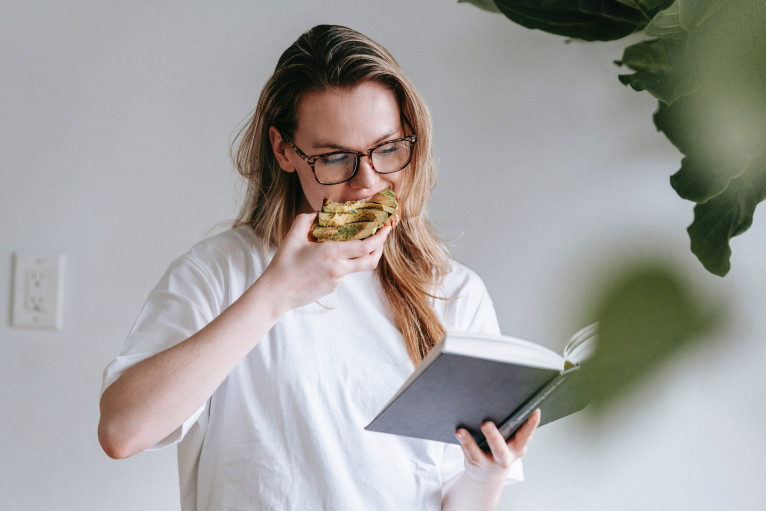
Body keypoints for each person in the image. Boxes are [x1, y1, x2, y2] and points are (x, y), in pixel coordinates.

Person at [98, 24, 540, 510]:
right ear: (284, 150)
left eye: (388, 149)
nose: (368, 182)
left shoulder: (454, 292)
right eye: (334, 158)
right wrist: (275, 294)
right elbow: (123, 432)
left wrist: (488, 471)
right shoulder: (219, 272)